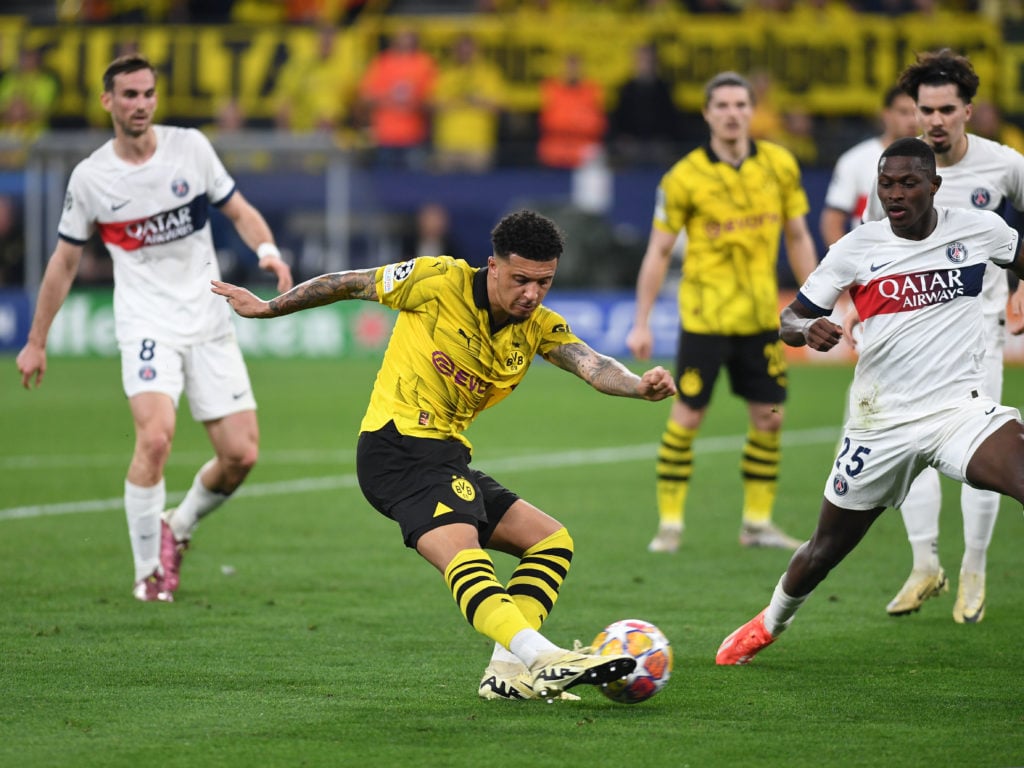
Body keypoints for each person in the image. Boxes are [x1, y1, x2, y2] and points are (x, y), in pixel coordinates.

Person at [211, 209, 678, 701]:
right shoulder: (437, 280)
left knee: (550, 542)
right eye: (521, 280)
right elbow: (347, 282)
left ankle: (507, 674)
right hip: (396, 447)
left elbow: (593, 363)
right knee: (465, 555)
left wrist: (637, 386)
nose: (532, 294)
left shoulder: (537, 326)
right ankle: (543, 658)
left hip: (444, 457)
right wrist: (269, 308)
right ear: (492, 266)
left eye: (544, 283)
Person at [716, 137, 1024, 666]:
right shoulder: (858, 247)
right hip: (879, 424)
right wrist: (806, 328)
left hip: (960, 411)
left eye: (908, 183)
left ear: (935, 185)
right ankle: (768, 623)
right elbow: (789, 317)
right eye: (886, 185)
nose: (895, 194)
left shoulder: (980, 229)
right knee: (824, 550)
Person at [15, 53, 294, 603]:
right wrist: (36, 340)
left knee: (241, 456)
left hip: (209, 318)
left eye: (147, 94)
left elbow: (238, 209)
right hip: (147, 324)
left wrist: (266, 250)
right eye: (128, 95)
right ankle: (149, 572)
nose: (139, 104)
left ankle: (178, 525)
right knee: (156, 436)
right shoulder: (92, 178)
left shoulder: (189, 146)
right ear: (107, 102)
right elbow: (64, 261)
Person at [861, 49, 1024, 623]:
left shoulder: (1004, 166)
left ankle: (975, 569)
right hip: (905, 338)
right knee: (908, 452)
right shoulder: (897, 170)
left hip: (977, 332)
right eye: (923, 108)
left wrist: (1020, 287)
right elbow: (868, 249)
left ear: (968, 111)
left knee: (982, 451)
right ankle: (925, 563)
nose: (933, 119)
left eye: (945, 109)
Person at [626, 70, 819, 554]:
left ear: (752, 111)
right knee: (687, 416)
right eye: (723, 106)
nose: (732, 114)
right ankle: (669, 524)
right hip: (705, 319)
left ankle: (757, 523)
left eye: (740, 105)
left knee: (770, 418)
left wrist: (816, 301)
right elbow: (657, 251)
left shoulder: (779, 164)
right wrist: (641, 321)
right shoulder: (683, 176)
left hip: (760, 318)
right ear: (707, 113)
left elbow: (797, 236)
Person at [819, 85, 919, 247]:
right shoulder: (855, 160)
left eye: (917, 112)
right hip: (870, 262)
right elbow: (832, 222)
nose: (912, 120)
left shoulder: (935, 160)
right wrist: (848, 264)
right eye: (904, 112)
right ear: (886, 115)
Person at [356, 27, 437, 170]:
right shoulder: (383, 62)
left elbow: (432, 100)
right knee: (386, 184)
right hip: (386, 136)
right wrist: (390, 100)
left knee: (415, 185)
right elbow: (366, 97)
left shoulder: (425, 63)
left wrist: (414, 103)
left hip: (414, 135)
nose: (405, 42)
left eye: (408, 37)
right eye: (401, 37)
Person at [431, 33, 506, 173]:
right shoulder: (444, 73)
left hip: (478, 144)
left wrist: (476, 101)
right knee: (445, 191)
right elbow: (433, 105)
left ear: (477, 50)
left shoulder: (489, 73)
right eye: (460, 49)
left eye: (469, 49)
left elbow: (498, 107)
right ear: (454, 51)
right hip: (447, 142)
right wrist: (460, 101)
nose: (465, 53)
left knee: (477, 191)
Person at [607, 43, 681, 169]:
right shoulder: (626, 89)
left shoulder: (664, 89)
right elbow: (617, 121)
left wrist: (666, 138)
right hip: (631, 144)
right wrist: (622, 138)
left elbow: (672, 121)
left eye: (648, 60)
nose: (645, 65)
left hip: (657, 144)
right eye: (641, 60)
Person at [536, 52, 606, 170]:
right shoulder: (550, 88)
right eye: (569, 65)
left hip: (584, 149)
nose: (572, 70)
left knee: (596, 156)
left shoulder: (592, 90)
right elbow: (548, 122)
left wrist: (575, 124)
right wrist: (576, 123)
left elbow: (597, 124)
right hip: (554, 150)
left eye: (576, 65)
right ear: (562, 67)